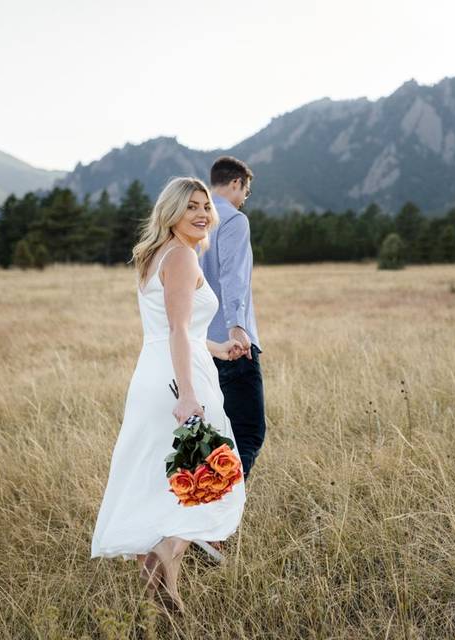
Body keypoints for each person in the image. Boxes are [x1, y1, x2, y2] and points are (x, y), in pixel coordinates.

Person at [90, 177, 246, 614]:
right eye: (191, 206)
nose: (201, 213)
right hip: (180, 381)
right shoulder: (179, 256)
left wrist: (218, 348)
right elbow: (178, 329)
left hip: (156, 372)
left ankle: (166, 599)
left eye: (205, 206)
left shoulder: (159, 254)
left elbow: (177, 330)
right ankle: (166, 550)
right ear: (171, 213)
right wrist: (189, 395)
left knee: (163, 482)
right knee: (211, 481)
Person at [200, 156, 266, 483]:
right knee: (247, 432)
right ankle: (216, 513)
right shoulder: (233, 220)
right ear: (236, 183)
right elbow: (233, 276)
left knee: (206, 436)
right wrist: (237, 326)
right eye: (246, 192)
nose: (244, 199)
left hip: (197, 346)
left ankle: (197, 510)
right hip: (231, 346)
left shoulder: (190, 220)